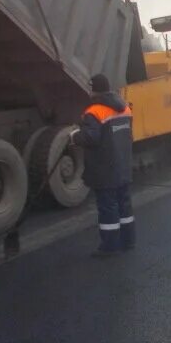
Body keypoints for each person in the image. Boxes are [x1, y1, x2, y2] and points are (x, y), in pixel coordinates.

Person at [71, 74, 134, 257]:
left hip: (106, 169)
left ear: (94, 90)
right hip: (123, 165)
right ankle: (128, 241)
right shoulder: (125, 108)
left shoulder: (94, 111)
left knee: (108, 208)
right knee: (125, 206)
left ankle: (110, 247)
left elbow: (91, 137)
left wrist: (75, 136)